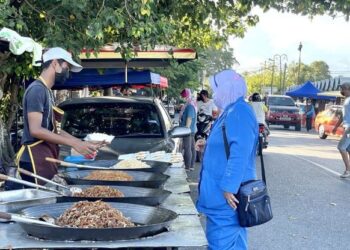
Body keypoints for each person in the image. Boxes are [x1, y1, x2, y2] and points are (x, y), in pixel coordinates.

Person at [14, 47, 102, 186]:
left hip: (44, 156)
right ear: (55, 64)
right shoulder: (37, 90)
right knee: (41, 203)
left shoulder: (47, 91)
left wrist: (82, 143)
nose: (68, 73)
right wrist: (74, 144)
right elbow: (36, 130)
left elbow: (54, 129)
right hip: (33, 158)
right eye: (66, 66)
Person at [196, 69, 258, 250]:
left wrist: (229, 187)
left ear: (229, 88)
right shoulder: (231, 110)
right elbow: (227, 144)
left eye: (217, 88)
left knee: (220, 244)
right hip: (221, 195)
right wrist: (206, 145)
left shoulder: (239, 111)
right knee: (235, 243)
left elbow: (241, 152)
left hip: (226, 197)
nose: (215, 93)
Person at [333, 82, 350, 178]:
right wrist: (336, 126)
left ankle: (347, 171)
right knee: (348, 148)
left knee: (341, 147)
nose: (342, 90)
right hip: (347, 127)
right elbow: (343, 116)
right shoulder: (346, 100)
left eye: (344, 88)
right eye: (341, 88)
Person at [179, 88, 197, 171]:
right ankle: (191, 166)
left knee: (187, 148)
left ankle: (187, 166)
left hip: (188, 130)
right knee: (192, 148)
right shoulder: (191, 104)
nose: (183, 97)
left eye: (184, 96)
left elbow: (189, 118)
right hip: (191, 130)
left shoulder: (189, 105)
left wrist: (186, 129)